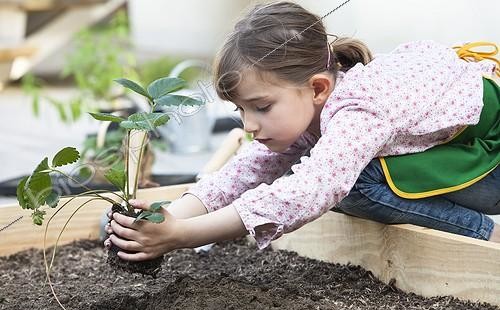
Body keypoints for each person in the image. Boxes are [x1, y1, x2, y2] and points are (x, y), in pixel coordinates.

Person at [104, 1, 500, 261]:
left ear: (317, 88)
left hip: (491, 158)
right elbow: (243, 173)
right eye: (240, 109)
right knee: (338, 180)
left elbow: (312, 190)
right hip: (461, 157)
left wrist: (182, 236)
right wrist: (166, 218)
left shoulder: (357, 108)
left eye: (261, 107)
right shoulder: (304, 113)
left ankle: (488, 238)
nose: (249, 124)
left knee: (351, 184)